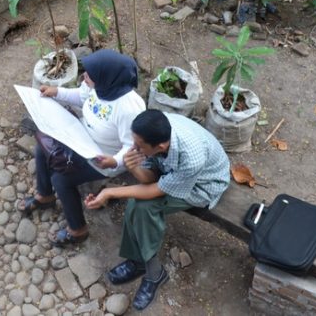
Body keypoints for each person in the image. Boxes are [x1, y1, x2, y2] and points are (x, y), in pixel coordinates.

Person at [85, 109, 230, 311]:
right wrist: (134, 168)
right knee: (137, 204)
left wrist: (110, 193)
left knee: (143, 207)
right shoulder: (156, 129)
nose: (133, 147)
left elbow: (155, 190)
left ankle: (154, 273)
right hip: (174, 172)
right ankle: (139, 261)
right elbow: (150, 177)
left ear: (160, 146)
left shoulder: (190, 157)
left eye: (139, 146)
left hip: (202, 185)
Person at [17, 50, 146, 247]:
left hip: (103, 158)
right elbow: (81, 96)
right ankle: (45, 196)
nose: (84, 77)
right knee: (42, 149)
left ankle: (78, 230)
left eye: (89, 75)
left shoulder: (129, 109)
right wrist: (56, 92)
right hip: (81, 136)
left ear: (106, 78)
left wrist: (114, 161)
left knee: (61, 179)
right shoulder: (98, 86)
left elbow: (132, 147)